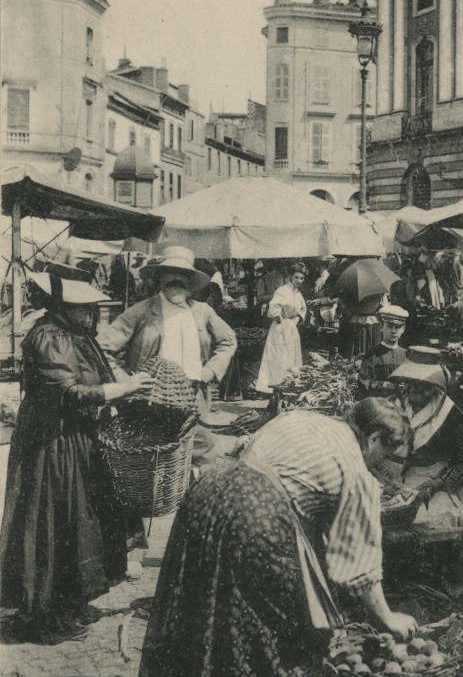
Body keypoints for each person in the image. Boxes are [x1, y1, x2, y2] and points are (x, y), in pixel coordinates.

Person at [130, 399, 417, 677]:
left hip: (207, 495)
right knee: (271, 625)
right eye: (389, 455)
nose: (384, 466)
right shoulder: (356, 472)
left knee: (203, 603)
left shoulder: (301, 418)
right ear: (374, 438)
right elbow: (360, 569)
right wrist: (387, 618)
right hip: (255, 517)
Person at [0, 273, 153, 642]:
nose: (91, 316)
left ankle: (69, 601)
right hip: (52, 443)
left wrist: (124, 383)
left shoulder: (73, 335)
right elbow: (69, 393)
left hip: (76, 438)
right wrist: (124, 388)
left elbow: (96, 373)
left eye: (91, 310)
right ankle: (44, 615)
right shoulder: (49, 338)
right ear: (64, 309)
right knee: (53, 518)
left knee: (80, 518)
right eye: (85, 310)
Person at [97, 246, 238, 466]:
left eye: (183, 275)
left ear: (191, 280)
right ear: (158, 278)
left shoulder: (202, 311)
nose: (176, 280)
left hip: (192, 395)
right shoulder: (141, 311)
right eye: (170, 273)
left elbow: (228, 339)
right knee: (152, 457)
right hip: (150, 398)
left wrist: (210, 370)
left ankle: (195, 497)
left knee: (202, 451)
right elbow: (101, 348)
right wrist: (126, 380)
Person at [386, 346, 463, 526]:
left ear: (434, 385)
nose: (413, 388)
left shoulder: (451, 414)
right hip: (396, 479)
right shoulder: (393, 405)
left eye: (421, 383)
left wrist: (436, 484)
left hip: (435, 482)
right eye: (409, 381)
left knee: (433, 518)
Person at [255, 262, 307, 393]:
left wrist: (295, 320)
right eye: (296, 277)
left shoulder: (297, 293)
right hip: (280, 329)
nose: (299, 281)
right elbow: (273, 307)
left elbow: (302, 308)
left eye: (301, 278)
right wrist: (281, 321)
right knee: (279, 357)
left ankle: (290, 387)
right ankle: (277, 387)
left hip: (291, 328)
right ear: (290, 277)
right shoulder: (283, 290)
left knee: (291, 357)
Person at [358, 305, 409, 398]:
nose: (393, 331)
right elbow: (364, 382)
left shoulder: (406, 355)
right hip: (379, 405)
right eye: (389, 326)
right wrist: (391, 386)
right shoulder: (372, 354)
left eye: (397, 327)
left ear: (403, 329)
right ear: (381, 327)